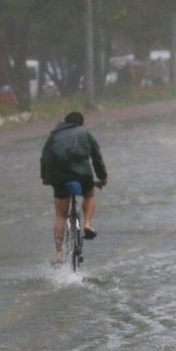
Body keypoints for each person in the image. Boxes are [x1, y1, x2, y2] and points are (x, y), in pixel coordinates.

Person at [40, 111, 107, 265]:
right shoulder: (85, 134)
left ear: (65, 123)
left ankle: (58, 253)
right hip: (83, 175)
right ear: (80, 123)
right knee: (89, 195)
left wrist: (45, 177)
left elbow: (45, 158)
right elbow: (96, 157)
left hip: (59, 177)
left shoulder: (54, 135)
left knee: (60, 215)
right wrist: (102, 178)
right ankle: (87, 224)